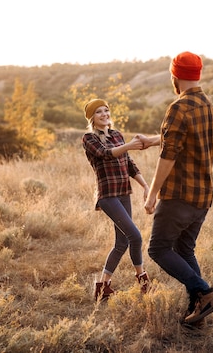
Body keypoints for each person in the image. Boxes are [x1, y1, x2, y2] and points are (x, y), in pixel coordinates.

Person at [139, 51, 213, 327]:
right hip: (202, 196)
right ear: (197, 75)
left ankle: (206, 292)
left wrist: (152, 193)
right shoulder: (207, 104)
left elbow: (169, 156)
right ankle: (198, 310)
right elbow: (177, 139)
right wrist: (152, 140)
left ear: (174, 76)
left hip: (178, 196)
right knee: (185, 251)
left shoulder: (177, 108)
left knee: (158, 249)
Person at [82, 98, 151, 301]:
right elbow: (106, 154)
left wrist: (146, 186)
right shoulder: (89, 138)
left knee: (122, 242)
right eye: (99, 112)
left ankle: (102, 288)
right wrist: (129, 145)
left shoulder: (117, 135)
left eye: (106, 110)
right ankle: (143, 280)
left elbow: (129, 164)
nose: (104, 114)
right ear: (92, 118)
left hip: (123, 193)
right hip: (108, 196)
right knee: (135, 237)